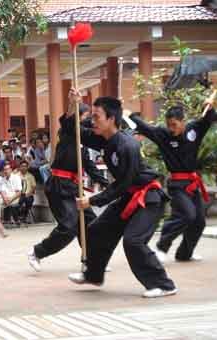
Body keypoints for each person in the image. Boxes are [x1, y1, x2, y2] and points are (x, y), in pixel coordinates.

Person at [65, 91, 176, 298]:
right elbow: (72, 130)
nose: (92, 121)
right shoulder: (104, 139)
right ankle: (93, 275)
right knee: (96, 230)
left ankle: (164, 285)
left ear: (111, 119)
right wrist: (73, 105)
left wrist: (92, 201)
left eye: (96, 117)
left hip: (148, 198)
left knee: (133, 241)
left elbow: (123, 184)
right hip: (128, 195)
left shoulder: (128, 146)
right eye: (92, 116)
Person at [129, 103, 217, 263]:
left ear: (183, 121)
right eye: (169, 125)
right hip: (177, 185)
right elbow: (145, 126)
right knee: (187, 214)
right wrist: (131, 115)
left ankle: (185, 253)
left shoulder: (194, 129)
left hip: (193, 183)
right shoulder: (163, 134)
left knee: (199, 221)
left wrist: (210, 108)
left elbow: (208, 120)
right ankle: (162, 246)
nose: (172, 129)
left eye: (175, 125)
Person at [28, 103, 109, 272]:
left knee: (91, 224)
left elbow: (90, 167)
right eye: (87, 118)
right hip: (59, 186)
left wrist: (108, 184)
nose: (90, 122)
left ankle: (90, 260)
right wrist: (73, 103)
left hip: (74, 188)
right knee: (68, 227)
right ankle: (37, 252)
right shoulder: (66, 134)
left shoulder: (83, 145)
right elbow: (68, 121)